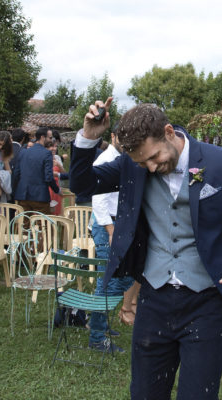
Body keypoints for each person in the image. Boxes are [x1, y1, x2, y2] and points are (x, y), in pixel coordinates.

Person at [69, 98, 222, 399]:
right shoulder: (133, 164)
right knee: (144, 392)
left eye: (153, 157)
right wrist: (88, 137)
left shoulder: (221, 161)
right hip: (153, 298)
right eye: (143, 163)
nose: (151, 168)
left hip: (207, 302)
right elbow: (82, 185)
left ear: (169, 132)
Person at [88, 127, 136, 353]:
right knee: (111, 282)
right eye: (122, 137)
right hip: (106, 225)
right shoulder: (106, 159)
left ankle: (98, 322)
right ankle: (96, 336)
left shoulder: (123, 158)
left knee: (121, 278)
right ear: (113, 137)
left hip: (118, 224)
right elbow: (98, 199)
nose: (126, 142)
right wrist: (110, 230)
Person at [13, 127, 60, 215]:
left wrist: (16, 191)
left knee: (25, 226)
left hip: (23, 195)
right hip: (40, 196)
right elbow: (49, 177)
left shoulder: (23, 152)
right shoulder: (46, 153)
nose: (51, 140)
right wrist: (57, 190)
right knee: (43, 225)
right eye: (50, 138)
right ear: (43, 137)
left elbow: (16, 174)